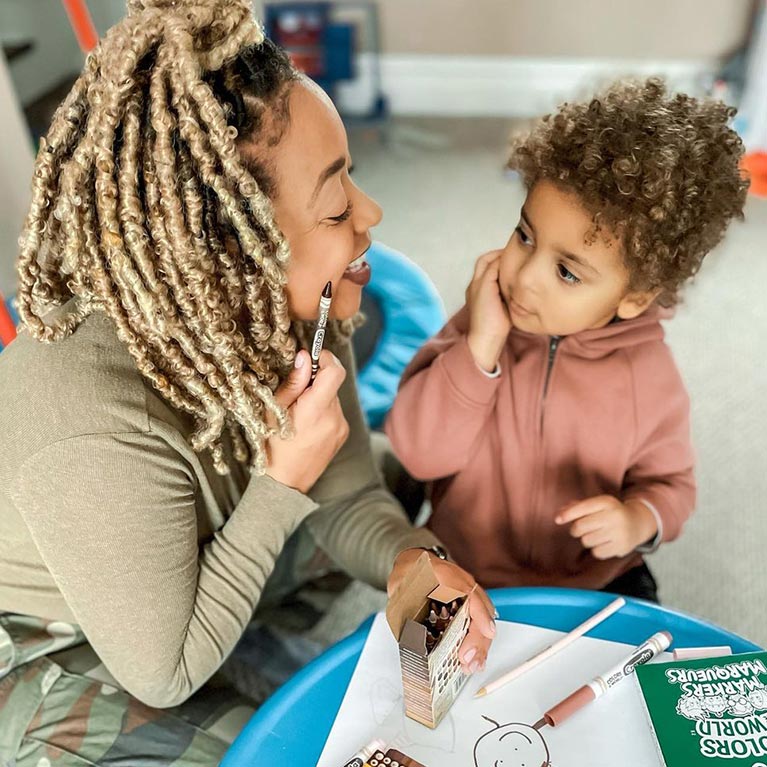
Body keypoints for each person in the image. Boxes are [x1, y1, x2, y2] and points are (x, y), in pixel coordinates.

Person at [0, 2, 495, 764]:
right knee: (260, 751)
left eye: (350, 180)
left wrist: (410, 563)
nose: (371, 213)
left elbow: (352, 494)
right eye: (336, 206)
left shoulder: (294, 308)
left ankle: (235, 631)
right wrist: (279, 485)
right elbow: (163, 675)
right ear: (228, 252)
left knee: (401, 483)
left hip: (187, 543)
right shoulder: (86, 416)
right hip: (40, 637)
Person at [386, 78, 749, 604]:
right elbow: (418, 454)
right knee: (419, 670)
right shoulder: (480, 326)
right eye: (525, 236)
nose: (525, 276)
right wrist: (479, 347)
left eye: (568, 272)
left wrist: (636, 519)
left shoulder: (649, 378)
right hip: (465, 570)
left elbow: (673, 487)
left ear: (637, 295)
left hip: (593, 581)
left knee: (640, 664)